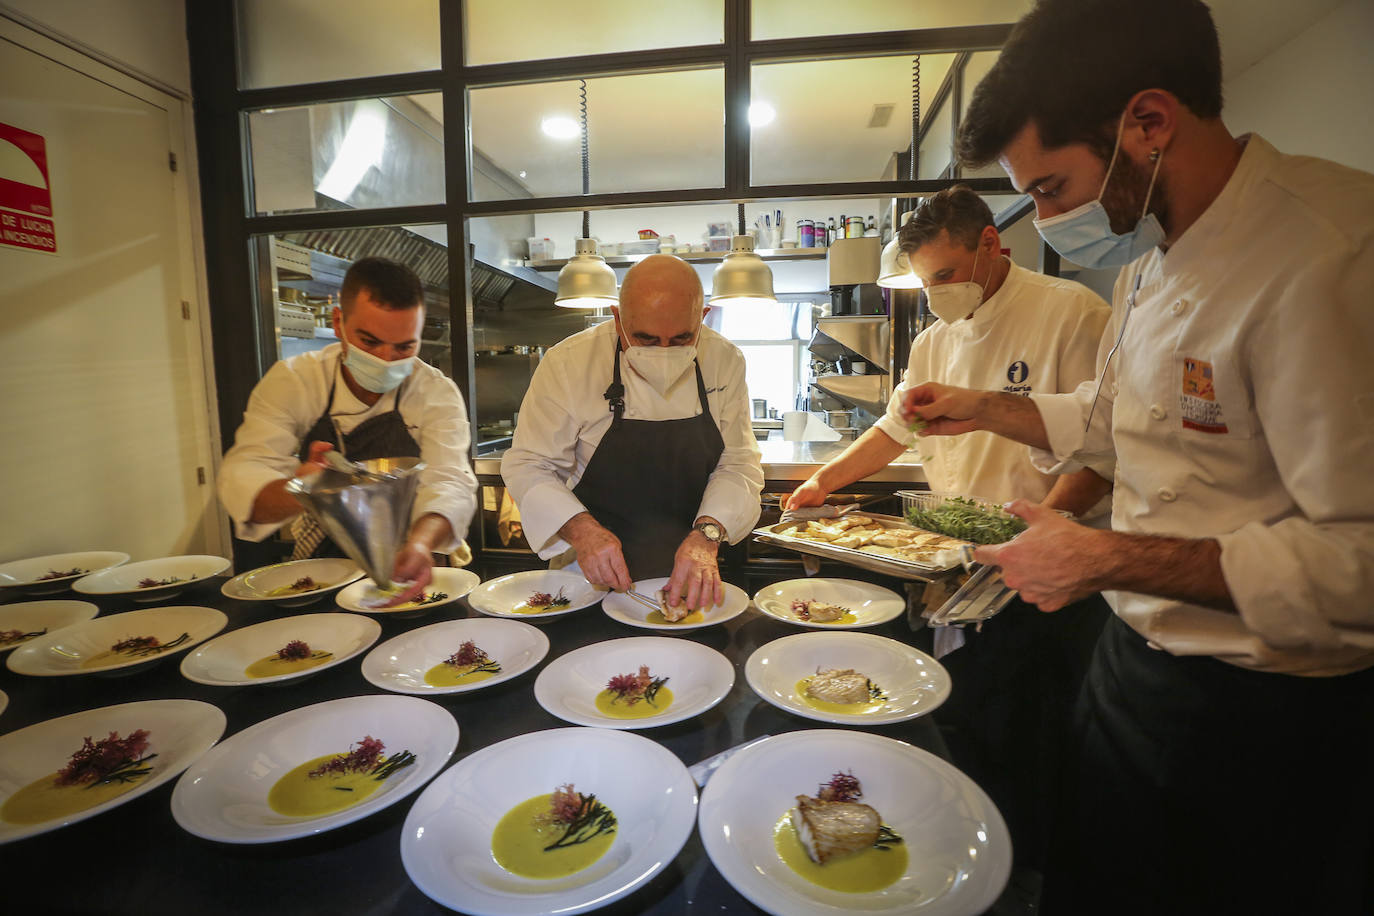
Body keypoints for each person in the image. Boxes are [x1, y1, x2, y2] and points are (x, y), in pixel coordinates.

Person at [904, 1, 1374, 913]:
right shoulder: (1149, 270)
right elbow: (1114, 424)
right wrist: (980, 408)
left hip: (1265, 713)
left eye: (1049, 188)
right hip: (1130, 668)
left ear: (1148, 123)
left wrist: (1104, 555)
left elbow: (1361, 561)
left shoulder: (1333, 250)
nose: (1048, 216)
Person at [787, 185, 1113, 868]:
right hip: (953, 568)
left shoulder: (1071, 313)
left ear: (991, 245)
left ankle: (1021, 874)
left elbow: (1108, 452)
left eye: (944, 276)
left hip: (1042, 574)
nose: (935, 294)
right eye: (924, 282)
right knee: (956, 722)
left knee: (1031, 741)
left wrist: (1047, 524)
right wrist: (822, 482)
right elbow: (894, 429)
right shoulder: (934, 340)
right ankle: (954, 853)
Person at [502, 254, 763, 611]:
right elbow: (529, 465)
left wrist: (708, 535)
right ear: (617, 318)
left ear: (702, 319)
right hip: (590, 571)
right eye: (646, 339)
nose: (665, 352)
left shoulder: (725, 360)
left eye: (682, 339)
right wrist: (581, 531)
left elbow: (737, 462)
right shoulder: (569, 363)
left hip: (695, 569)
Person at [218, 256, 478, 604]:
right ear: (338, 323)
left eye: (404, 347)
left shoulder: (434, 391)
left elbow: (449, 480)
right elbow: (244, 474)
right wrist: (303, 489)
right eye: (370, 342)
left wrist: (419, 544)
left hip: (415, 556)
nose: (386, 360)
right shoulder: (296, 380)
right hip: (325, 560)